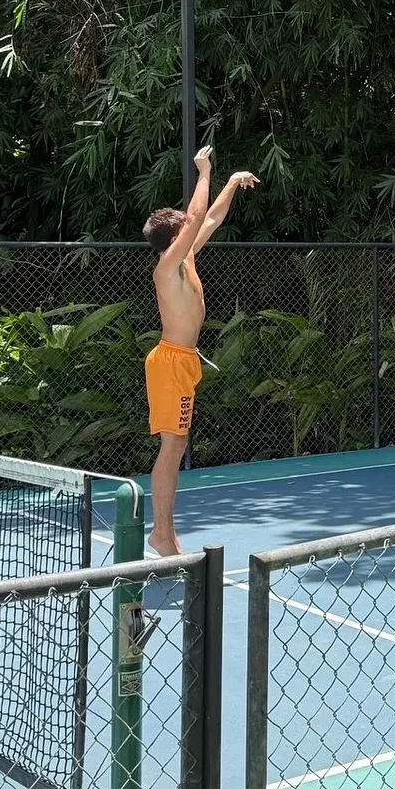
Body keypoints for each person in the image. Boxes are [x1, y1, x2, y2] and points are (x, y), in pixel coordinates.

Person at [141, 148, 259, 555]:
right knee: (172, 448)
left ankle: (165, 534)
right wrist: (204, 171)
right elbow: (195, 217)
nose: (190, 229)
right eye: (183, 229)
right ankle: (161, 534)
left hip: (185, 361)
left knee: (176, 447)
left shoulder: (185, 256)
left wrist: (231, 183)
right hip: (170, 362)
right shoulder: (166, 267)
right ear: (174, 237)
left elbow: (209, 219)